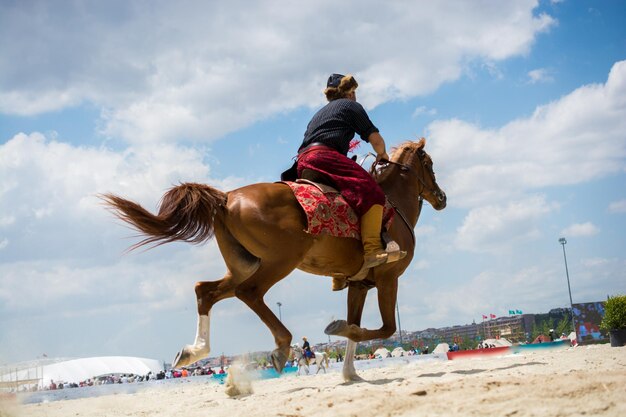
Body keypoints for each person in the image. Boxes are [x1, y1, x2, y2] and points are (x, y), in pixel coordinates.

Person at [292, 73, 406, 285]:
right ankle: (372, 249)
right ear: (349, 91)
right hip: (325, 157)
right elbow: (375, 139)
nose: (355, 95)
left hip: (303, 162)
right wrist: (382, 155)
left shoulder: (318, 114)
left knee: (341, 203)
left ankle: (339, 272)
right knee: (372, 192)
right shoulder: (351, 106)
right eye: (354, 91)